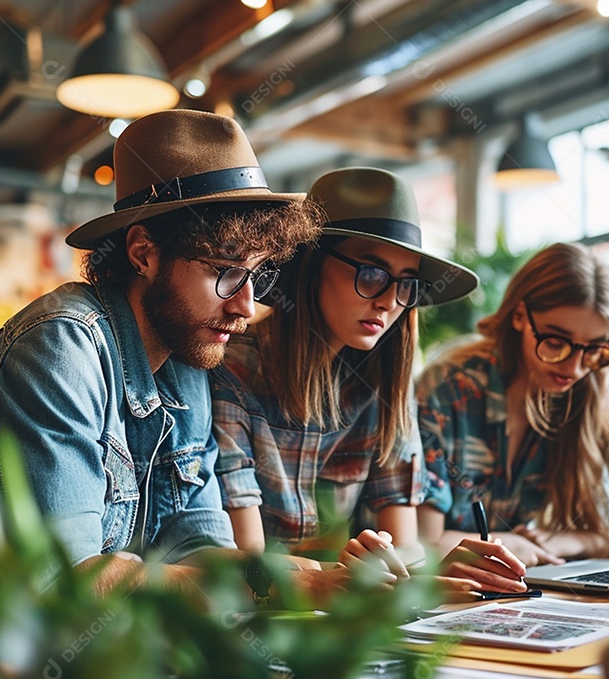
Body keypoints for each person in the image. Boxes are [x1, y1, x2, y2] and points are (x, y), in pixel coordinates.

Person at [0, 110, 332, 608]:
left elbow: (192, 545)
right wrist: (275, 587)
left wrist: (301, 573)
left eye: (256, 276)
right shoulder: (58, 347)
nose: (246, 305)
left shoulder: (187, 358)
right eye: (225, 273)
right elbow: (67, 581)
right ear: (143, 253)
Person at [210, 167, 529, 597]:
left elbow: (403, 544)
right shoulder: (230, 372)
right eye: (372, 274)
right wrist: (365, 578)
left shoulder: (386, 385)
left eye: (406, 284)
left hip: (347, 623)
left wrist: (433, 573)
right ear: (311, 266)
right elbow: (248, 561)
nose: (388, 300)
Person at [416, 242, 609, 566]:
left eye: (593, 350)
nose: (574, 368)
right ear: (520, 316)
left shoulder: (589, 394)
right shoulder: (449, 389)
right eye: (556, 342)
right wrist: (509, 544)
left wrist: (575, 541)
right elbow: (422, 542)